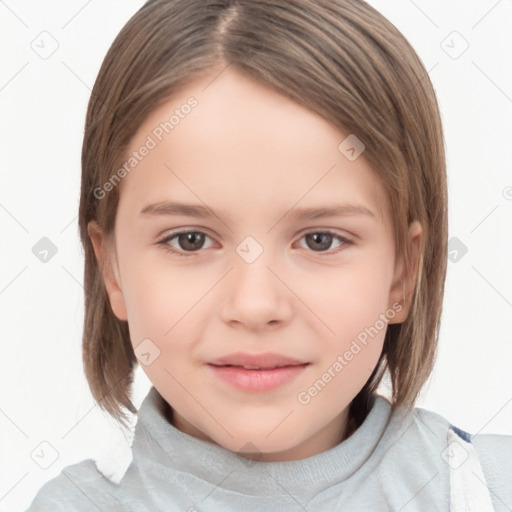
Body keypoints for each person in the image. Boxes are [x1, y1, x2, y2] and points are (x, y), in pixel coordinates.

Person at [26, 0, 511, 510]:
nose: (255, 306)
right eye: (189, 239)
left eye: (320, 240)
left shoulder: (485, 490)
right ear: (113, 270)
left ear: (402, 273)